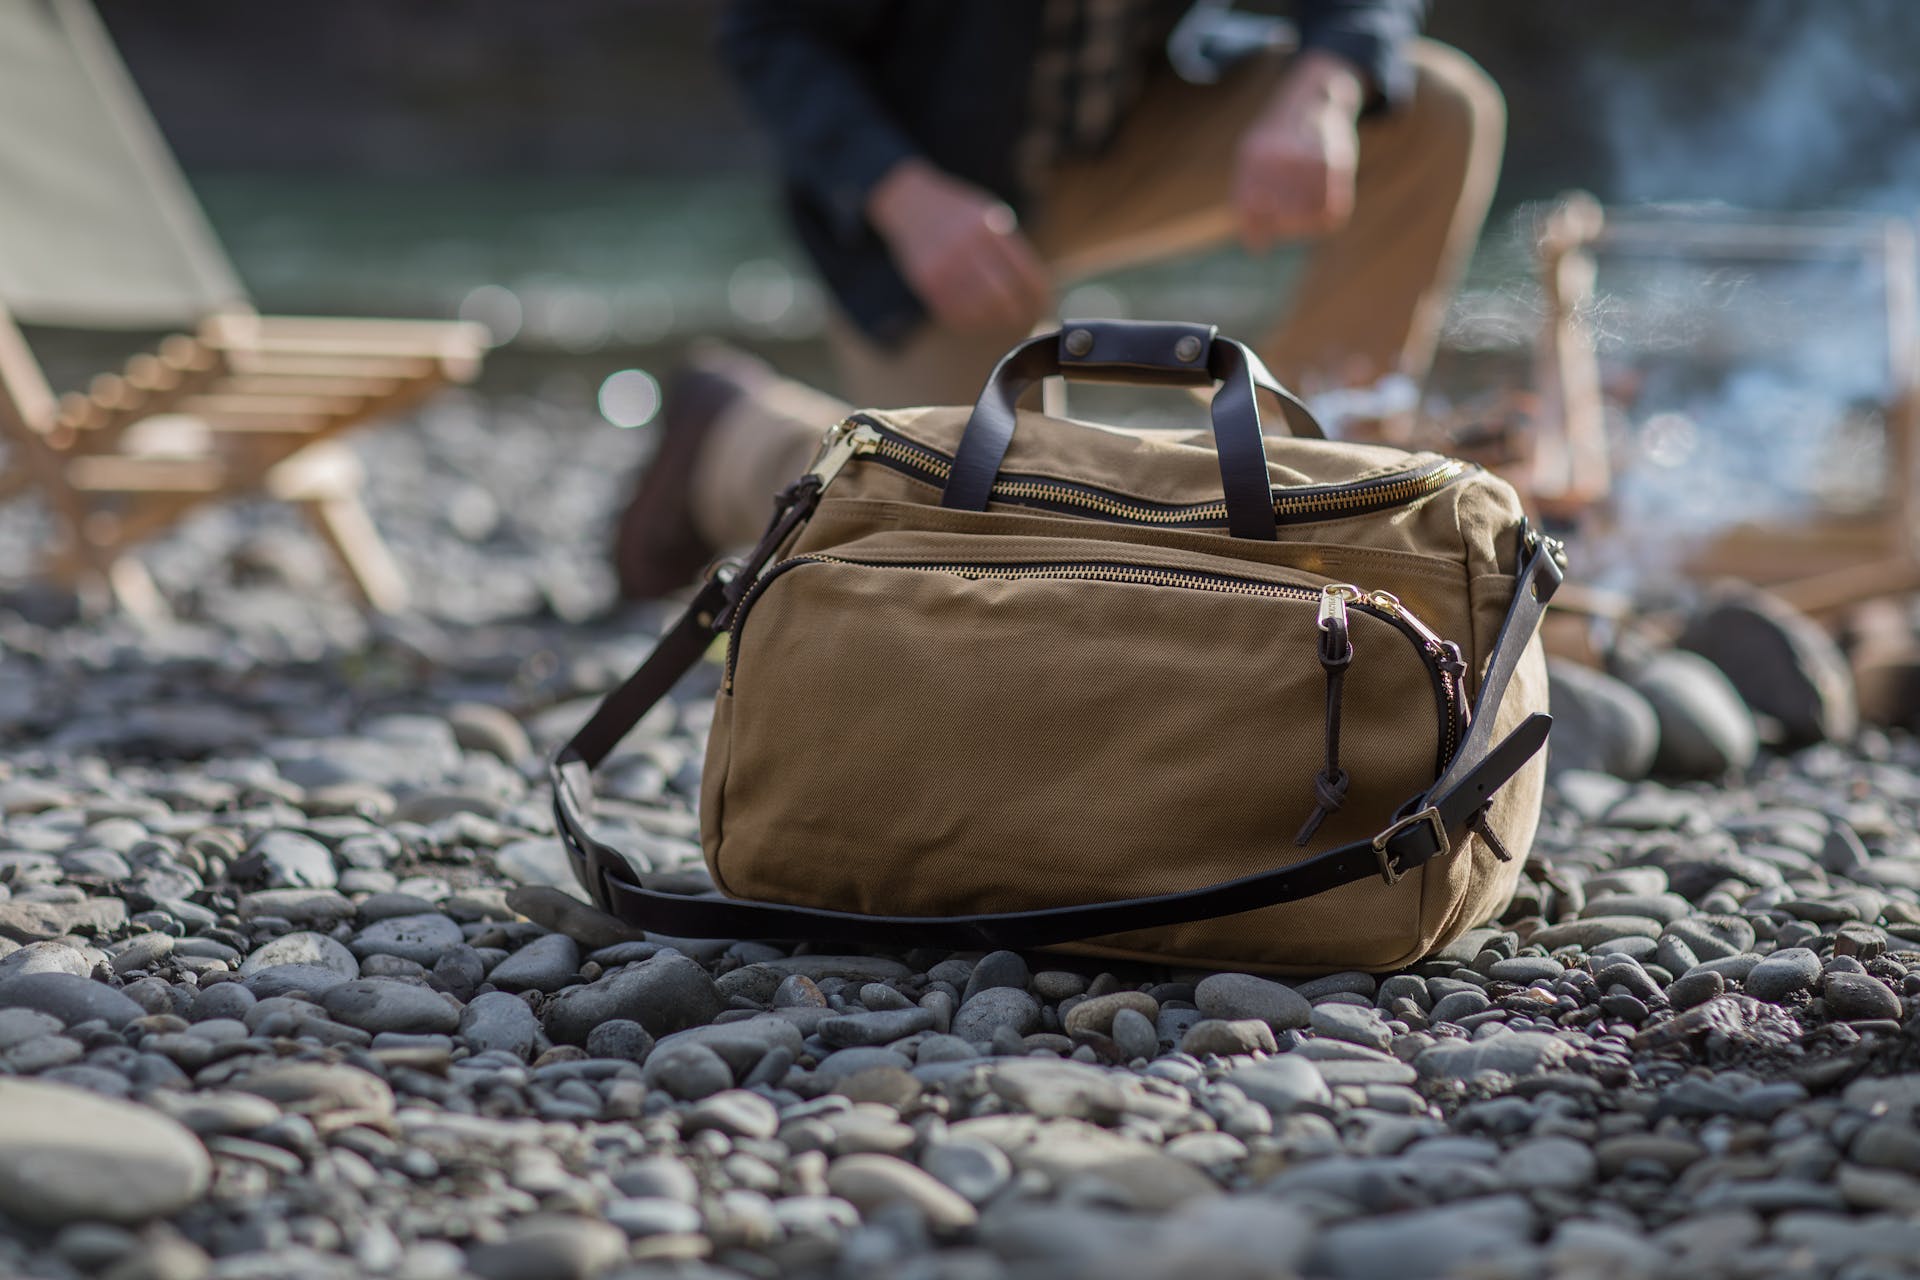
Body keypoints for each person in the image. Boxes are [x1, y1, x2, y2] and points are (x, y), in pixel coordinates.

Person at [614, 0, 1503, 600]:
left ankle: (1298, 516)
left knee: (1432, 105)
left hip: (1126, 130)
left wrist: (1321, 90)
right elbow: (768, 33)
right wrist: (903, 196)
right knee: (979, 556)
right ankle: (731, 439)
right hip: (924, 203)